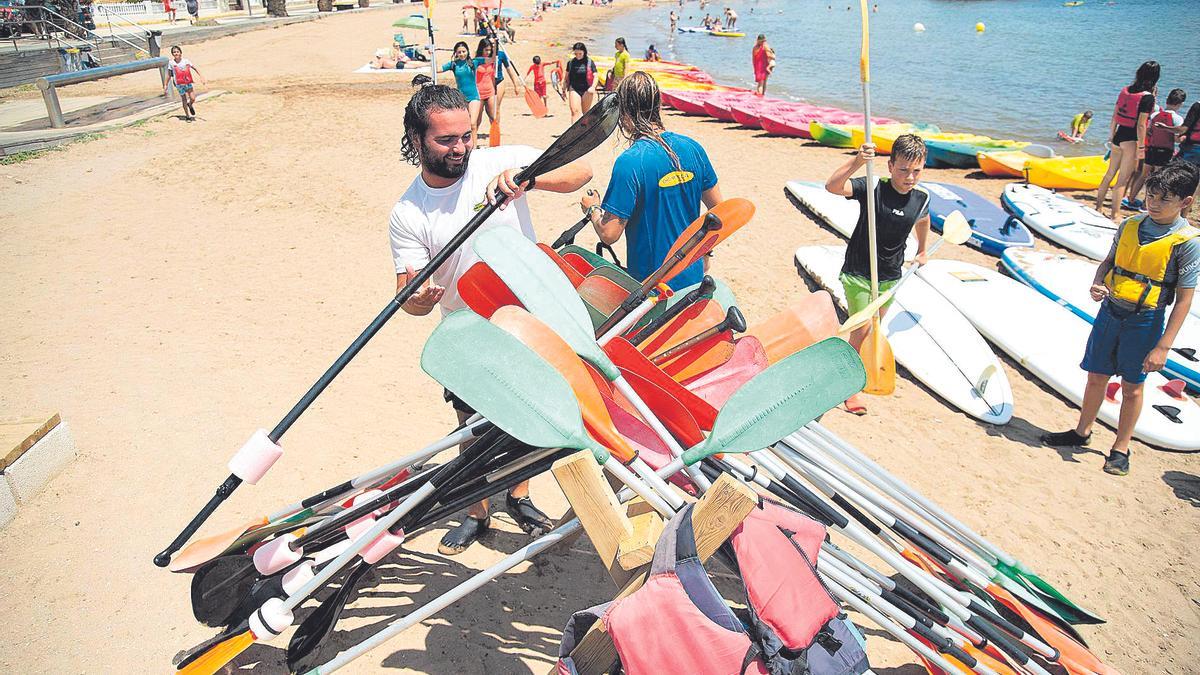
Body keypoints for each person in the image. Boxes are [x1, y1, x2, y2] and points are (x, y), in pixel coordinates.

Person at [389, 84, 593, 553]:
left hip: (528, 319)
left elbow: (581, 170)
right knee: (471, 426)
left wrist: (532, 179)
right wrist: (420, 297)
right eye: (446, 140)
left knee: (529, 416)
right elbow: (407, 297)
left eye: (467, 136)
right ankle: (476, 512)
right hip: (468, 332)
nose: (461, 147)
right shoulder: (408, 212)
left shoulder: (500, 162)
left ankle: (519, 497)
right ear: (417, 140)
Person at [1042, 161, 1198, 475]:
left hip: (1146, 321)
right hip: (1110, 312)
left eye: (1163, 200)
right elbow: (1108, 263)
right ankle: (1081, 432)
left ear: (1186, 203)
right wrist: (1098, 282)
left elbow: (1184, 300)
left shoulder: (1188, 243)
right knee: (1096, 376)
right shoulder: (1130, 225)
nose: (1153, 204)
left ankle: (1120, 448)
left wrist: (1163, 347)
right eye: (1150, 196)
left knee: (1132, 387)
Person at [578, 72, 722, 292]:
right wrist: (705, 251)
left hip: (652, 289)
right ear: (658, 105)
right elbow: (720, 211)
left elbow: (609, 234)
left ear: (623, 111)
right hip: (693, 281)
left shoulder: (630, 162)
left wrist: (592, 210)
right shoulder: (693, 149)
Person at [825, 136, 931, 415]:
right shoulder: (873, 188)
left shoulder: (921, 198)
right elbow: (832, 186)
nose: (909, 177)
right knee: (862, 330)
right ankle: (850, 388)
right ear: (890, 165)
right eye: (903, 170)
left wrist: (922, 250)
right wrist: (858, 161)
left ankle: (858, 369)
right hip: (859, 272)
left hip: (890, 276)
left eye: (916, 171)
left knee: (874, 328)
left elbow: (922, 220)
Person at [1096, 61, 1160, 221]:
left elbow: (1114, 116)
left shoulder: (1125, 90)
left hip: (1118, 136)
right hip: (1131, 140)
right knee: (1123, 179)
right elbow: (1140, 125)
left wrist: (1111, 136)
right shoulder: (1147, 98)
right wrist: (1141, 147)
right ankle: (1115, 214)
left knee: (1110, 173)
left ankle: (1098, 207)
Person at [1127, 89, 1187, 210]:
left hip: (1151, 149)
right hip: (1165, 151)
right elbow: (1176, 139)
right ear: (1181, 104)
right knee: (1158, 178)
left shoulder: (1155, 115)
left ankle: (1131, 199)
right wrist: (1184, 138)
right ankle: (1145, 204)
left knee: (1143, 175)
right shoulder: (1178, 119)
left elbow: (1149, 131)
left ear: (1167, 100)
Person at [441, 41, 483, 142]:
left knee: (473, 123)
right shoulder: (453, 65)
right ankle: (467, 146)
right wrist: (431, 55)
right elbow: (437, 69)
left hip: (474, 97)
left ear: (467, 51)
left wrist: (495, 46)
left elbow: (492, 59)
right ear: (456, 53)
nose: (462, 54)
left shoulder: (474, 62)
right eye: (459, 52)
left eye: (464, 51)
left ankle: (474, 148)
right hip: (461, 98)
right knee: (464, 125)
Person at [164, 45, 205, 121]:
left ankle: (190, 105)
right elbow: (169, 75)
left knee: (193, 98)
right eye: (174, 52)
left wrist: (201, 76)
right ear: (172, 54)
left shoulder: (186, 61)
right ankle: (187, 116)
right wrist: (166, 85)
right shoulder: (171, 63)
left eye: (177, 52)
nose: (176, 53)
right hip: (179, 84)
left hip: (187, 83)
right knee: (184, 99)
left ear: (180, 53)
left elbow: (195, 68)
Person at [565, 42, 597, 122]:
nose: (578, 55)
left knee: (585, 113)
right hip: (574, 88)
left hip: (587, 89)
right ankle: (574, 132)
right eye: (576, 53)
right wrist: (564, 87)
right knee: (574, 111)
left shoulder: (590, 62)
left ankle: (585, 131)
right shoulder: (571, 63)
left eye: (580, 53)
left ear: (584, 52)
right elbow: (566, 76)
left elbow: (596, 76)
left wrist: (593, 87)